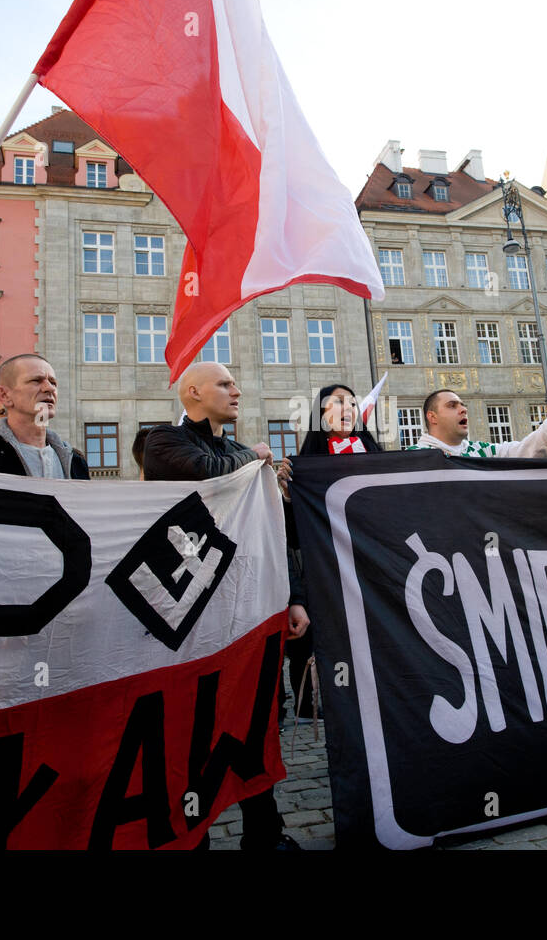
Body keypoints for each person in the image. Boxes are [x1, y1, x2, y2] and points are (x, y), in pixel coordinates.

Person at [144, 362, 301, 850]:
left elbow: (271, 528)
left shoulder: (237, 450)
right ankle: (194, 835)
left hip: (246, 603)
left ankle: (265, 833)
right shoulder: (162, 442)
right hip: (190, 611)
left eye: (235, 382)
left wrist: (292, 596)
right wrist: (256, 459)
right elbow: (206, 473)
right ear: (193, 392)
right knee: (192, 726)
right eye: (225, 384)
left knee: (256, 719)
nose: (238, 390)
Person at [282, 384, 383, 724]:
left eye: (352, 403)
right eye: (338, 402)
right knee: (312, 638)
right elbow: (293, 536)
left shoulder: (376, 456)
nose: (347, 408)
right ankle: (308, 702)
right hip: (322, 566)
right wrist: (287, 498)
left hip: (369, 562)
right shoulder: (304, 466)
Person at [0, 354, 88, 479]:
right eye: (36, 380)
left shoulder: (76, 462)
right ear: (4, 395)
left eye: (53, 382)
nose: (49, 388)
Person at [413, 389, 547, 457]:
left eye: (463, 405)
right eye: (452, 406)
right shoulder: (414, 457)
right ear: (432, 417)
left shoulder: (482, 452)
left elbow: (524, 452)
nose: (463, 410)